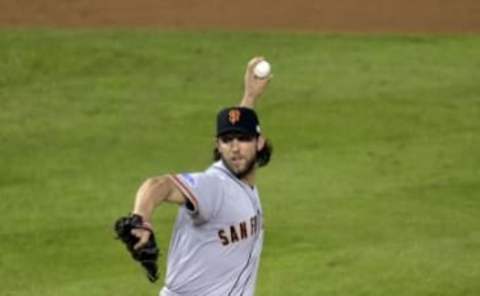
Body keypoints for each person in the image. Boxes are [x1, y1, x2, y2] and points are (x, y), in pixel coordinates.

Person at [129, 57, 272, 296]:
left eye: (243, 139)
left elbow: (241, 125)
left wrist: (250, 96)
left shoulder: (240, 185)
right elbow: (159, 185)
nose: (235, 148)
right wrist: (141, 218)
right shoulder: (214, 187)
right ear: (218, 145)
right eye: (227, 141)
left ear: (259, 143)